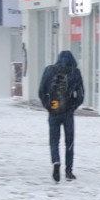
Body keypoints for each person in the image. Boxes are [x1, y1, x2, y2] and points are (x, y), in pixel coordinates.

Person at [38, 50, 85, 182]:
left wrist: (49, 106)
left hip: (53, 111)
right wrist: (72, 106)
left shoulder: (49, 70)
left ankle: (56, 161)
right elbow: (81, 95)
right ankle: (69, 171)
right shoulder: (75, 72)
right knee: (69, 142)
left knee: (54, 141)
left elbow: (41, 91)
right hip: (68, 112)